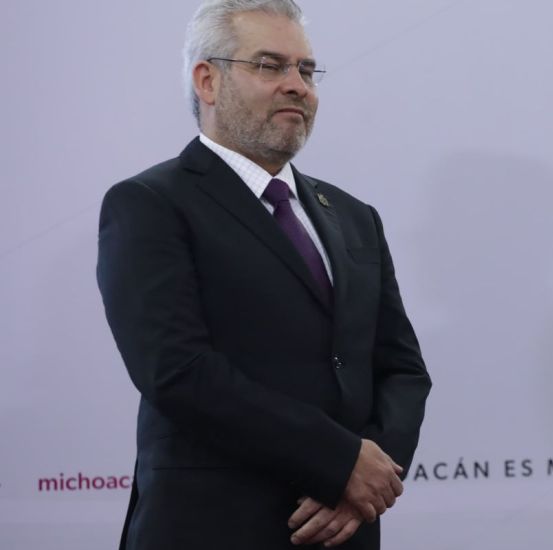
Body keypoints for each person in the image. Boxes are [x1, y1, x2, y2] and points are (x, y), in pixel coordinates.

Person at [96, 1, 431, 548]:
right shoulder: (150, 203)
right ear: (208, 80)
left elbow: (401, 367)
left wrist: (369, 477)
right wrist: (339, 461)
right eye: (270, 65)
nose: (297, 85)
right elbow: (176, 371)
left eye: (306, 70)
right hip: (213, 528)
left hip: (344, 526)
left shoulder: (354, 215)